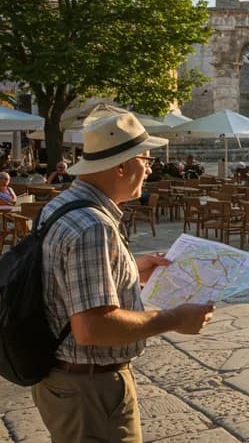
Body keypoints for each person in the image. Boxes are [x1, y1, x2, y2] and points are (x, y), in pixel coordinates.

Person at [36, 113, 214, 441]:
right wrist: (175, 318)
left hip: (67, 381)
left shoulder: (62, 205)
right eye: (145, 160)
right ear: (120, 167)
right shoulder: (93, 226)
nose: (149, 169)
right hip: (92, 390)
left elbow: (65, 278)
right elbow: (93, 328)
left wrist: (129, 267)